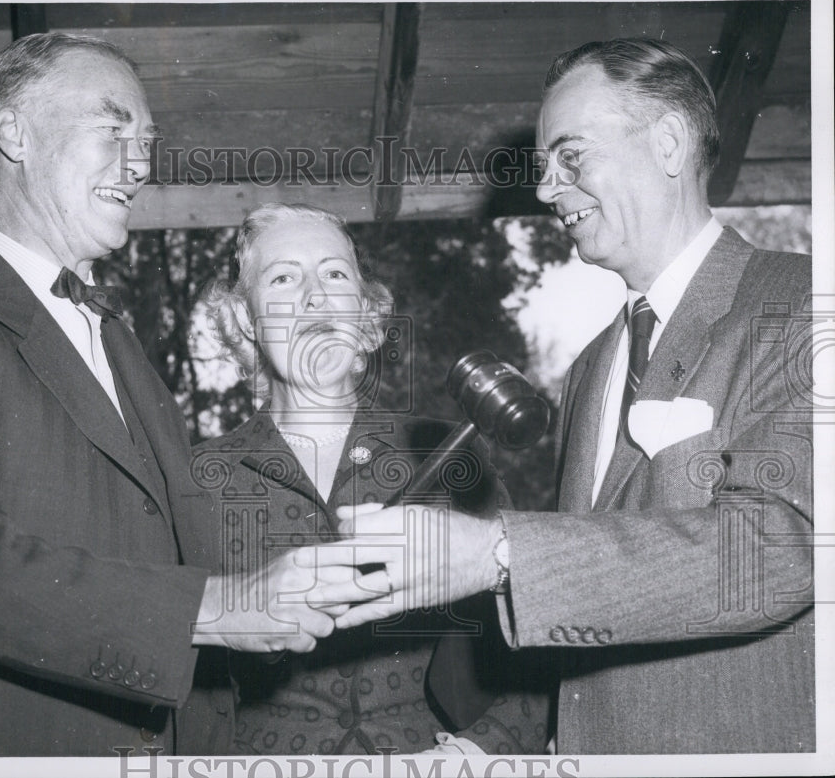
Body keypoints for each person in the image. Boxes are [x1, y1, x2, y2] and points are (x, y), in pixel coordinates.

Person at [303, 38, 814, 753]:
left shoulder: (800, 302)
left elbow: (775, 551)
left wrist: (499, 551)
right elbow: (590, 606)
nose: (545, 190)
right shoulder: (592, 366)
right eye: (545, 167)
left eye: (571, 157)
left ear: (669, 141)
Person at [0, 33, 343, 757]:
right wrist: (218, 606)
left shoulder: (124, 347)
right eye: (115, 129)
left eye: (148, 141)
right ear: (14, 132)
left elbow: (171, 568)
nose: (142, 164)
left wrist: (287, 596)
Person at [180, 203, 553, 756]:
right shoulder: (194, 481)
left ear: (367, 314)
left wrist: (482, 752)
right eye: (284, 277)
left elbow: (539, 623)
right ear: (243, 321)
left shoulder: (452, 461)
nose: (316, 295)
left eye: (335, 273)